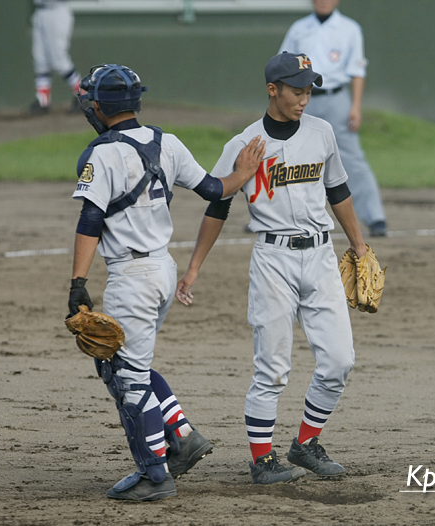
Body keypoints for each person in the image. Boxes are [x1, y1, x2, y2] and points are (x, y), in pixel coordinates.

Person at [67, 63, 265, 501]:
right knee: (121, 363)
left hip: (132, 278)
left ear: (98, 107)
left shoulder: (101, 154)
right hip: (162, 271)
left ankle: (154, 474)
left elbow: (91, 218)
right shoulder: (167, 142)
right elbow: (215, 189)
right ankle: (181, 433)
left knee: (128, 378)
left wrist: (78, 283)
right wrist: (243, 173)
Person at [176, 52, 369, 485]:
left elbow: (338, 190)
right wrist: (193, 269)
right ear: (272, 90)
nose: (305, 99)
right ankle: (261, 460)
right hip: (273, 260)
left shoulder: (322, 133)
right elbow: (217, 208)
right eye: (297, 91)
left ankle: (304, 444)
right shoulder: (242, 145)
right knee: (273, 366)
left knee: (340, 360)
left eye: (309, 91)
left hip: (320, 257)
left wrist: (358, 245)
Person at [279, 0, 387, 237]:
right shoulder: (299, 28)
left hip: (337, 98)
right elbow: (282, 65)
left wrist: (356, 106)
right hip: (301, 98)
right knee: (288, 155)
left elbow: (357, 71)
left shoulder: (350, 29)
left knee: (353, 158)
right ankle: (275, 216)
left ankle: (375, 217)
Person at [29, 0, 81, 114]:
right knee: (40, 60)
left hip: (57, 11)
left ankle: (82, 95)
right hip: (40, 11)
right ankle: (43, 102)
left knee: (58, 60)